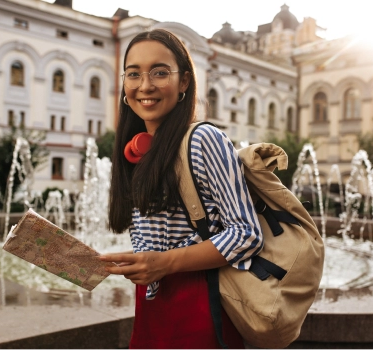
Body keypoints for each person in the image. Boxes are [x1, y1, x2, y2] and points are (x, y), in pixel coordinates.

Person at [99, 28, 263, 350]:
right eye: (133, 74)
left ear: (184, 81)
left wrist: (163, 262)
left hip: (199, 309)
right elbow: (164, 239)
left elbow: (246, 234)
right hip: (151, 308)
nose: (145, 85)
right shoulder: (138, 150)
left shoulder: (204, 140)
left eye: (160, 72)